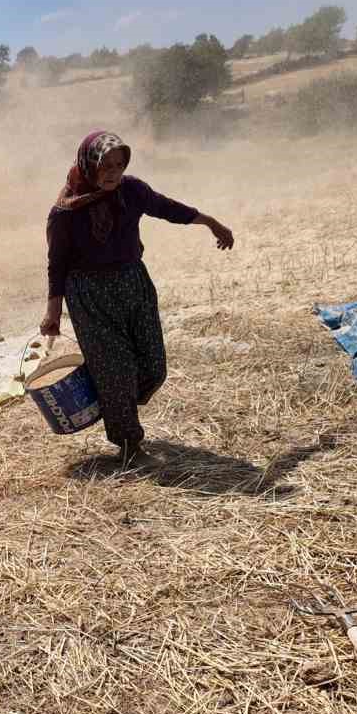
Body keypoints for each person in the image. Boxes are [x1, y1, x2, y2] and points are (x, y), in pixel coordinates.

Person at [40, 131, 234, 466]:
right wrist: (52, 312)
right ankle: (129, 444)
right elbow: (57, 265)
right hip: (90, 296)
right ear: (89, 164)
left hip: (134, 283)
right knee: (116, 370)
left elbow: (166, 208)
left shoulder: (132, 191)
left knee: (153, 365)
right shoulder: (65, 212)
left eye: (119, 164)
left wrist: (210, 223)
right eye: (105, 165)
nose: (113, 172)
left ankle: (112, 394)